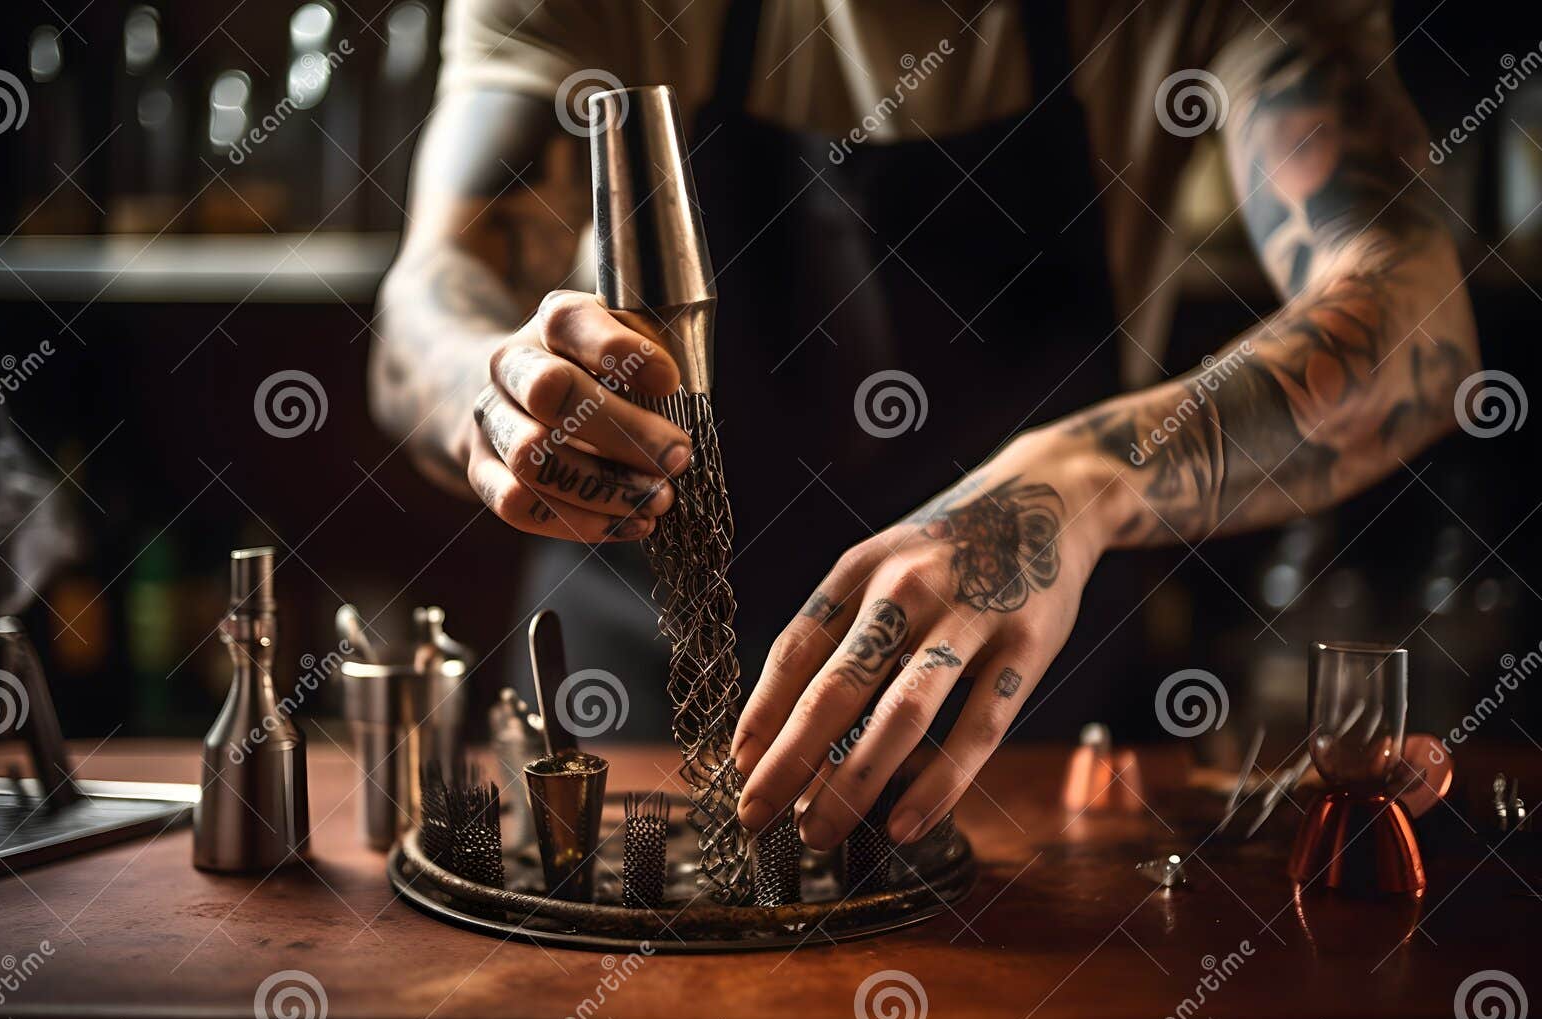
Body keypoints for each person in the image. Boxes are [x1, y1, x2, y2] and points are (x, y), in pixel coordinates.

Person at [369, 1, 1478, 855]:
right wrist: (491, 383)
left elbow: (1414, 313)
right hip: (632, 722)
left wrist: (1076, 484)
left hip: (1010, 749)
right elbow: (431, 297)